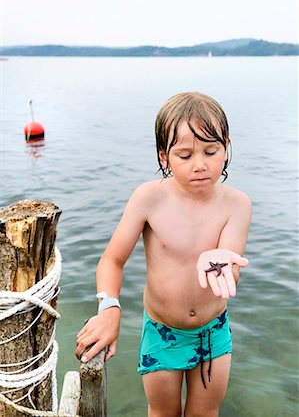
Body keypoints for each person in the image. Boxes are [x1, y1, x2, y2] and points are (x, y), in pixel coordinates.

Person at [75, 92, 251, 417]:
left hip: (213, 333)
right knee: (162, 412)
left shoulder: (237, 204)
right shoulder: (149, 199)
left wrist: (216, 264)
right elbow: (111, 261)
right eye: (184, 155)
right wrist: (109, 308)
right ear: (164, 156)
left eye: (211, 151)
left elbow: (230, 269)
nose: (200, 164)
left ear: (227, 147)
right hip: (162, 331)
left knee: (205, 413)